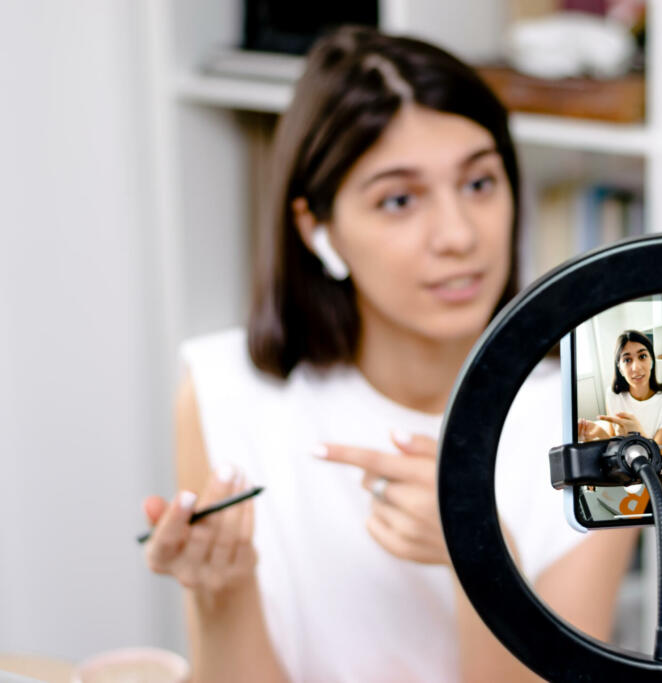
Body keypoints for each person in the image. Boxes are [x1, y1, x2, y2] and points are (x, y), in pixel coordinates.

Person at [139, 26, 636, 683]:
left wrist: (480, 552)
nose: (459, 235)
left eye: (480, 183)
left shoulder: (609, 410)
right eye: (399, 200)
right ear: (318, 230)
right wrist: (221, 591)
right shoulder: (225, 392)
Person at [578, 330, 662, 445]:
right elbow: (614, 441)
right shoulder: (613, 395)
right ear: (620, 368)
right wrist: (601, 435)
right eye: (627, 360)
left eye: (642, 356)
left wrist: (638, 434)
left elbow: (661, 454)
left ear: (651, 361)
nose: (636, 367)